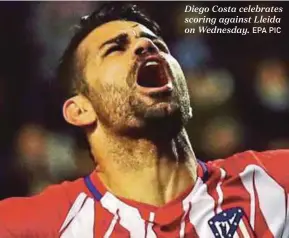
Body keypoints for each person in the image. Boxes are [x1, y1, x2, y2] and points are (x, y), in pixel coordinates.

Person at [0, 3, 288, 238]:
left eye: (158, 45)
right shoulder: (35, 225)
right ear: (80, 110)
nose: (145, 47)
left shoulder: (275, 181)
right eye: (115, 48)